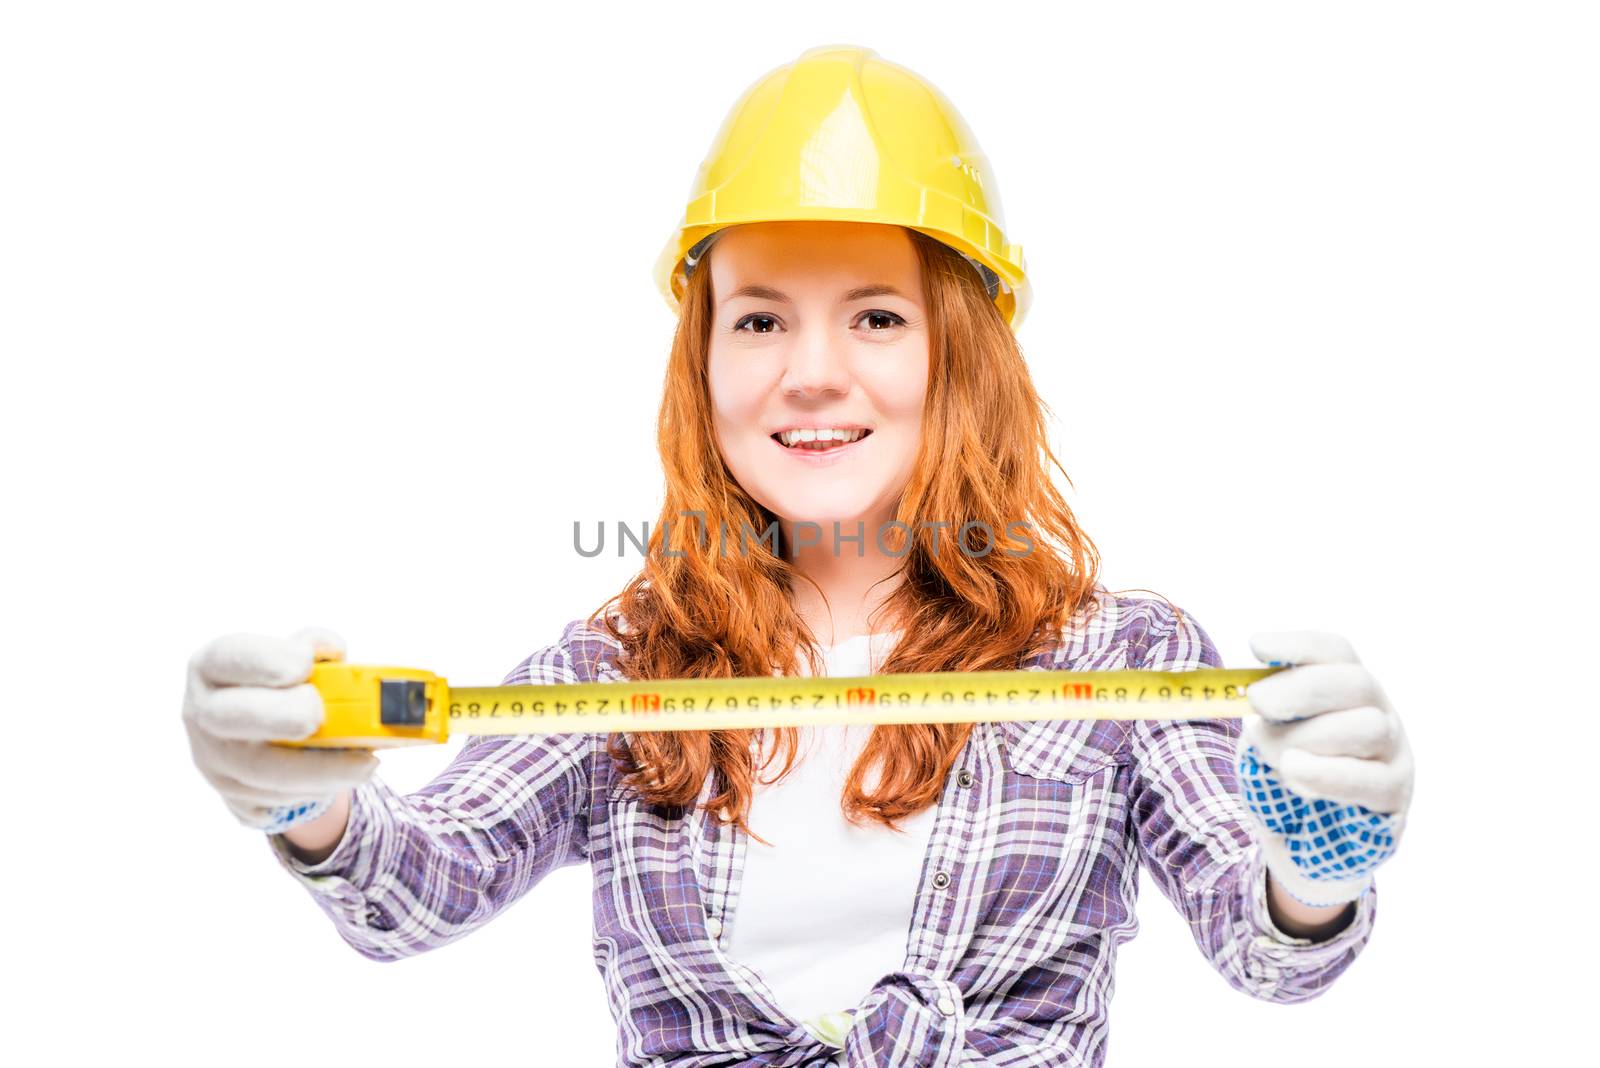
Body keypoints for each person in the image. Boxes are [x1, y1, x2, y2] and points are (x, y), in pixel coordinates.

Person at [181, 44, 1415, 1067]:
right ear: (703, 364)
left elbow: (1263, 956)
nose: (811, 371)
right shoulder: (616, 668)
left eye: (876, 315)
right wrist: (310, 799)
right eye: (760, 318)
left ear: (958, 357)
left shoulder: (1118, 658)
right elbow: (421, 891)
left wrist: (1313, 867)